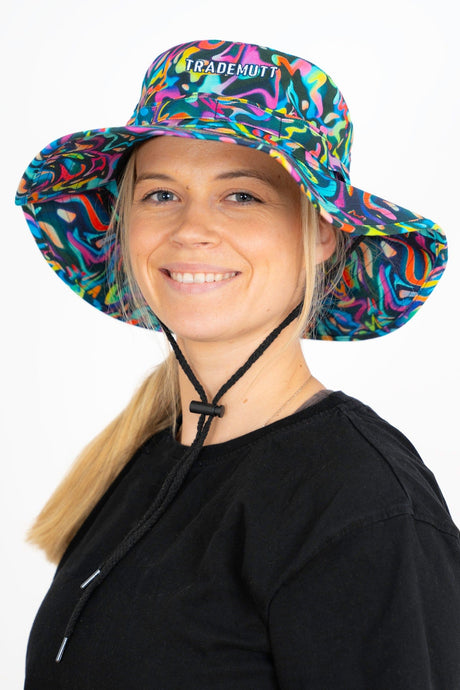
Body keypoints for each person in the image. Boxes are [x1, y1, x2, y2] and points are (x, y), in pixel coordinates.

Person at [16, 39, 460, 689]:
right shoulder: (144, 457)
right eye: (160, 194)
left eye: (242, 196)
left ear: (321, 231)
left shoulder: (360, 502)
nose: (191, 229)